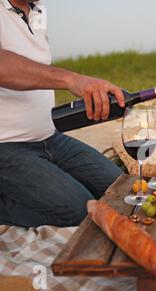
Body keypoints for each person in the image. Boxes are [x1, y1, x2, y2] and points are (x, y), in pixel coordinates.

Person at [0, 0, 125, 227]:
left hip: (50, 138)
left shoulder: (38, 10)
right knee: (79, 212)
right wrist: (71, 79)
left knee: (121, 191)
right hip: (6, 145)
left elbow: (35, 71)